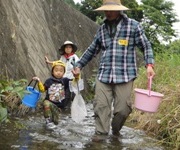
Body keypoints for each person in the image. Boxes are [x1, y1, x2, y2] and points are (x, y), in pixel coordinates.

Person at [72, 0, 155, 141]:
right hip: (104, 75)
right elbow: (92, 50)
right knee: (101, 107)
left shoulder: (133, 26)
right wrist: (79, 65)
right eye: (106, 10)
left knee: (123, 110)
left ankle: (115, 131)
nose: (108, 13)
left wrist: (149, 65)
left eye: (111, 10)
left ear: (119, 10)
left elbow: (146, 46)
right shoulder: (102, 29)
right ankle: (100, 136)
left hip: (125, 75)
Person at [32, 61, 79, 129]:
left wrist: (76, 76)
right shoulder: (49, 80)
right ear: (52, 72)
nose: (58, 72)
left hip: (59, 108)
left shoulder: (65, 81)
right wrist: (39, 81)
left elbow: (75, 82)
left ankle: (52, 124)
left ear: (64, 72)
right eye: (56, 70)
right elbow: (42, 89)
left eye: (61, 71)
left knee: (55, 123)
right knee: (46, 103)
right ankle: (48, 121)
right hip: (50, 103)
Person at [45, 41, 80, 108]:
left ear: (72, 49)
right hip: (64, 79)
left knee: (73, 94)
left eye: (69, 47)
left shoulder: (74, 57)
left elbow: (78, 66)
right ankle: (64, 107)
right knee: (64, 93)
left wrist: (76, 75)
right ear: (64, 49)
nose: (68, 49)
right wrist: (49, 62)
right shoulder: (63, 57)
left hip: (72, 78)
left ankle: (74, 108)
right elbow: (59, 63)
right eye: (66, 47)